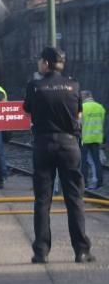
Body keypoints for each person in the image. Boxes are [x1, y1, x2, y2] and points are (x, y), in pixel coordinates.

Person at [25, 47, 93, 263]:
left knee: (42, 200)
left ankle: (41, 251)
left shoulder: (35, 86)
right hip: (69, 145)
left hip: (44, 144)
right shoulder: (74, 85)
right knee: (74, 199)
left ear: (45, 63)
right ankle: (81, 250)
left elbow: (28, 109)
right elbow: (78, 112)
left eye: (40, 61)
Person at [81, 90, 105, 189]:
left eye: (81, 96)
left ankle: (84, 183)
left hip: (84, 138)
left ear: (85, 96)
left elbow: (78, 123)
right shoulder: (100, 107)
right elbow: (101, 122)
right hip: (97, 138)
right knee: (96, 161)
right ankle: (99, 182)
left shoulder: (82, 108)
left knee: (83, 161)